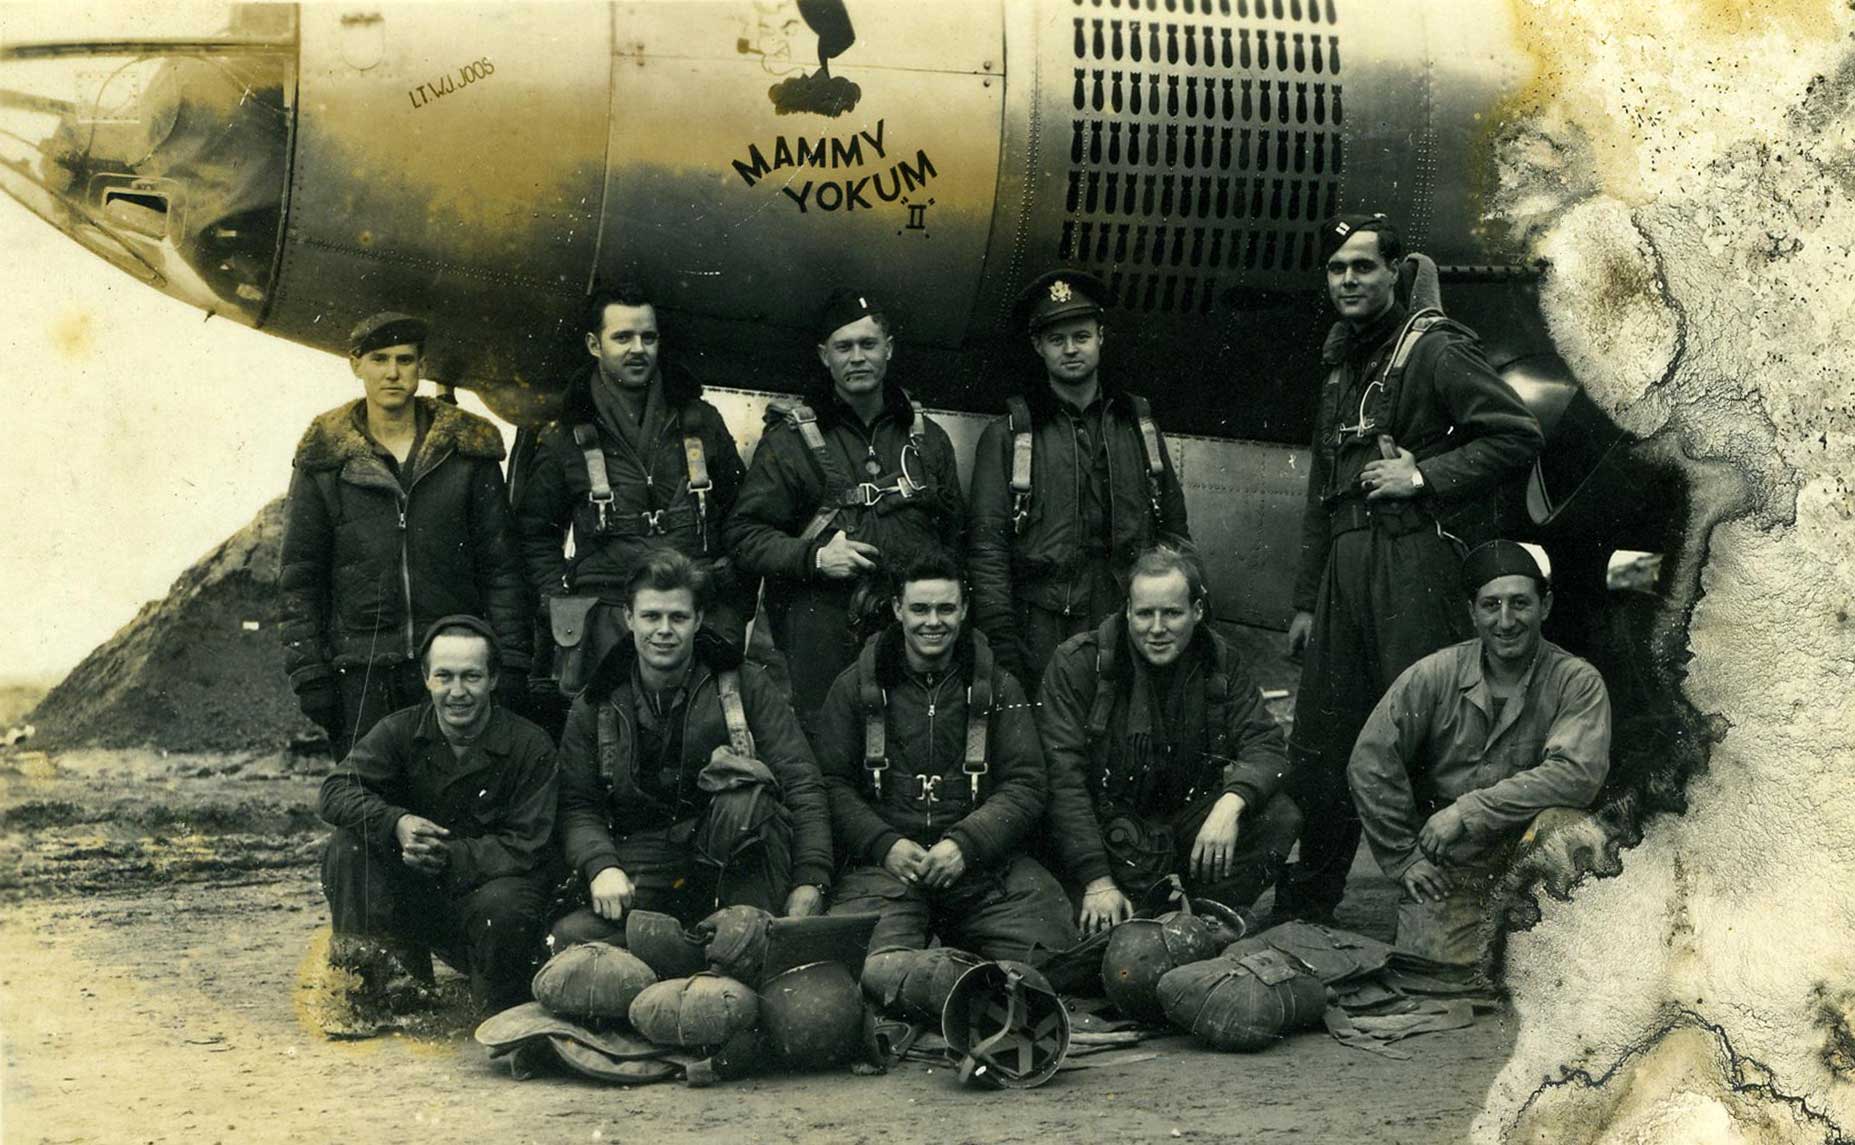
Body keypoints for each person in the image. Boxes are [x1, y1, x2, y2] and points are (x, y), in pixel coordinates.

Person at [1272, 214, 1545, 924]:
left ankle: (1446, 909)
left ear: (1394, 271)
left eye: (1363, 266)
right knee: (1326, 738)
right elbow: (1321, 492)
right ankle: (1311, 902)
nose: (1348, 281)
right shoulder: (1341, 363)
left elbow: (1515, 434)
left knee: (1427, 735)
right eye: (1337, 269)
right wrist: (1305, 601)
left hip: (1410, 562)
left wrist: (1422, 475)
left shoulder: (1433, 349)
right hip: (1344, 569)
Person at [279, 311, 532, 759]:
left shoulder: (467, 453)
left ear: (422, 366)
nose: (392, 373)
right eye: (379, 359)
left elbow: (502, 568)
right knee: (367, 796)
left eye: (405, 359)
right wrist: (309, 673)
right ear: (356, 365)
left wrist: (509, 660)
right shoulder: (324, 460)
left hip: (451, 671)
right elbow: (301, 575)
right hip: (361, 674)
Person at [549, 550, 833, 946]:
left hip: (735, 857)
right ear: (629, 618)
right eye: (651, 616)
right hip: (644, 859)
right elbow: (578, 804)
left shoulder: (744, 684)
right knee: (572, 938)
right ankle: (690, 947)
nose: (664, 630)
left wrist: (811, 879)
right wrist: (601, 866)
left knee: (746, 800)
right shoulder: (597, 699)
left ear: (698, 620)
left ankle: (736, 940)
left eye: (678, 617)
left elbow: (801, 781)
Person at [1348, 541, 1611, 965]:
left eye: (1520, 603)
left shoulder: (1576, 681)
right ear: (1472, 612)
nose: (1505, 621)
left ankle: (1553, 938)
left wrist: (1466, 811)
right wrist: (1404, 858)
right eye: (1491, 605)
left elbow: (1576, 776)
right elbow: (1371, 760)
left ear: (1545, 606)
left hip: (1534, 860)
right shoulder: (1433, 675)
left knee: (1563, 826)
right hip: (1455, 867)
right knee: (1434, 969)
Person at [816, 549, 1076, 966]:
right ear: (897, 609)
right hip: (888, 871)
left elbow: (1026, 783)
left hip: (983, 869)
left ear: (965, 609)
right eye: (920, 609)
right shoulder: (854, 688)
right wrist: (885, 844)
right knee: (867, 969)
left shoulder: (1000, 687)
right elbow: (831, 783)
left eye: (946, 609)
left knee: (1052, 957)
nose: (933, 622)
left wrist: (965, 844)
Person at [725, 288, 965, 733]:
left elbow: (955, 540)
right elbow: (744, 535)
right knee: (827, 746)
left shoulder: (929, 440)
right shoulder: (788, 442)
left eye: (868, 344)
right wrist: (815, 557)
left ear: (888, 349)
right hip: (823, 639)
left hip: (910, 638)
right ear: (825, 356)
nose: (857, 357)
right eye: (843, 347)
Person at [513, 282, 751, 714]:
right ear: (594, 344)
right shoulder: (565, 437)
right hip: (606, 620)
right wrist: (557, 602)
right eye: (622, 337)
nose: (638, 349)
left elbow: (743, 517)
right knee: (608, 731)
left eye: (648, 337)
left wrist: (732, 602)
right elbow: (534, 533)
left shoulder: (702, 422)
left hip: (694, 617)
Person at [1039, 545, 1301, 934]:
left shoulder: (1219, 661)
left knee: (1277, 815)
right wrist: (1097, 880)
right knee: (1093, 948)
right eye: (1145, 613)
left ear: (1197, 611)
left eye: (1173, 613)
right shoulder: (1079, 663)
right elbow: (1063, 778)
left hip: (1182, 825)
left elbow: (1265, 745)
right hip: (1103, 837)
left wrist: (1231, 804)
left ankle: (1208, 917)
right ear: (1127, 611)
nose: (1157, 628)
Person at [317, 615, 558, 1016]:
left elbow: (529, 845)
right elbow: (335, 790)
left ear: (493, 679)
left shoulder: (530, 746)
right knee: (348, 847)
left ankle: (498, 998)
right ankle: (368, 989)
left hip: (483, 902)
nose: (457, 692)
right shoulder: (398, 730)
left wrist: (446, 855)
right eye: (444, 676)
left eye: (471, 676)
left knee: (507, 912)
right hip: (414, 896)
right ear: (426, 679)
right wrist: (396, 823)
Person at [968, 269, 1190, 695]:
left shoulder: (1139, 429)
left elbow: (1175, 533)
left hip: (1130, 624)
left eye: (1081, 336)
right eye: (1057, 339)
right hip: (1042, 633)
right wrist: (1003, 645)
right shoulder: (1008, 437)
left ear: (1101, 337)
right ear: (1038, 346)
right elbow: (987, 550)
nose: (1071, 349)